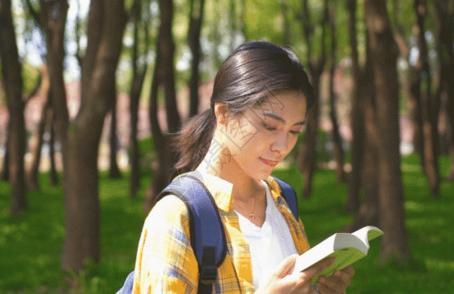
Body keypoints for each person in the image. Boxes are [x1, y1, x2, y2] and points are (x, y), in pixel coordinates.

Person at [131, 41, 354, 293]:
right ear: (223, 113)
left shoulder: (282, 200)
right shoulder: (177, 216)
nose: (282, 146)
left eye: (294, 131)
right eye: (270, 126)